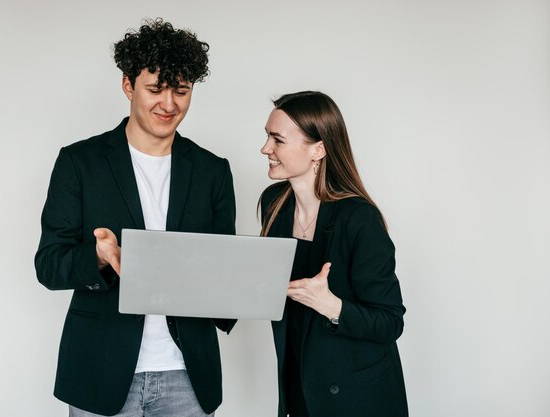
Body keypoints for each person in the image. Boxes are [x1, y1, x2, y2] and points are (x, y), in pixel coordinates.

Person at [35, 19, 236, 417]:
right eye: (155, 89)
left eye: (181, 91)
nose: (169, 104)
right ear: (128, 85)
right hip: (100, 371)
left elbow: (223, 270)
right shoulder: (79, 163)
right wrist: (98, 257)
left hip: (188, 374)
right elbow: (48, 265)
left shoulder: (213, 170)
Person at [259, 91, 408, 417]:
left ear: (319, 149)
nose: (265, 149)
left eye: (278, 140)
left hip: (358, 399)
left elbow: (390, 322)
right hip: (300, 391)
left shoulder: (359, 219)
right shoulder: (274, 204)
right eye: (267, 137)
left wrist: (332, 306)